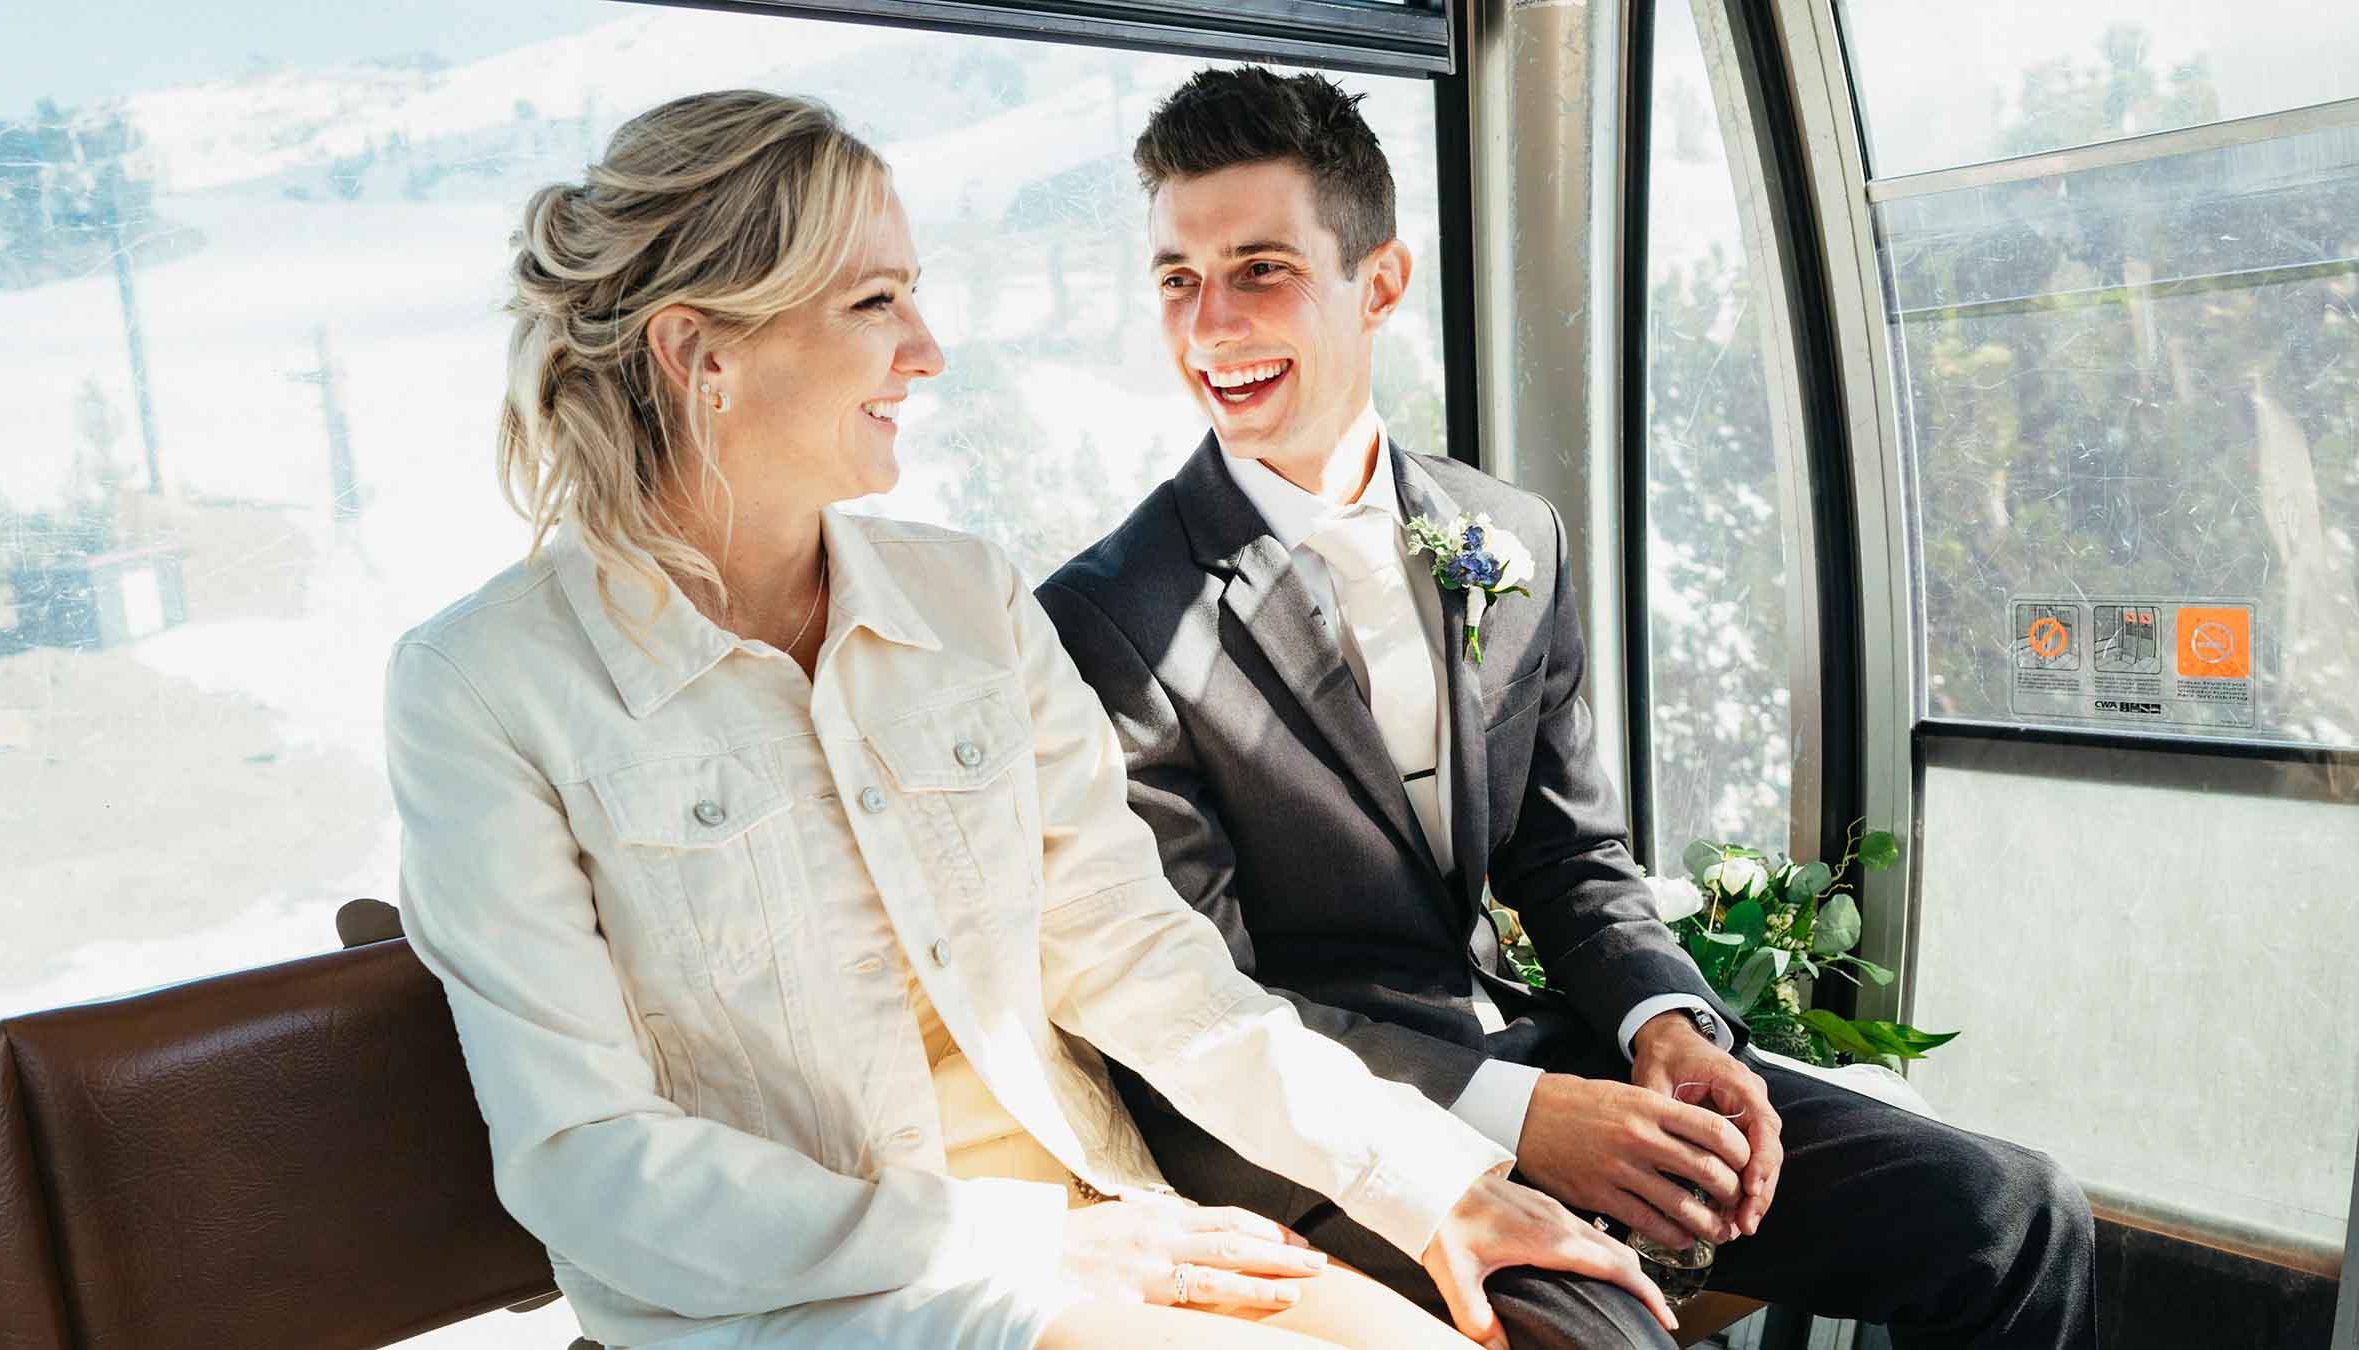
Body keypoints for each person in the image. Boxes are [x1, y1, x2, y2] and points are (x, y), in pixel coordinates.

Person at [383, 89, 1677, 1350]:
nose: (927, 350)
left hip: (1107, 1226)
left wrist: (1428, 1174)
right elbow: (587, 1164)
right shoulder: (483, 686)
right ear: (699, 352)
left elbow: (1143, 962)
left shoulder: (969, 600)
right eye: (875, 301)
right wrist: (1027, 1246)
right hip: (818, 1303)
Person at [1037, 66, 2097, 1349]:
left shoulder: (1507, 533)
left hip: (1547, 1055)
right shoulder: (1101, 616)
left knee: (2015, 1214)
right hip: (1312, 1133)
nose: (1210, 328)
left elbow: (1569, 855)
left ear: (1380, 283)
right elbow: (1209, 999)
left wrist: (1670, 1025)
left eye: (1259, 269)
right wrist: (1522, 1118)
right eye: (1175, 280)